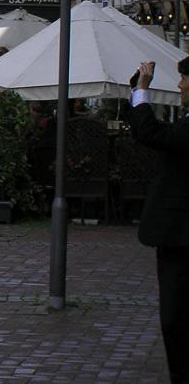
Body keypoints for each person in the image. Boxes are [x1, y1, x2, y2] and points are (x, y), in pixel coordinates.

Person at [130, 59, 189, 384]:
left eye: (183, 78)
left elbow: (151, 134)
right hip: (177, 233)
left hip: (181, 234)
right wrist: (137, 88)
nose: (179, 85)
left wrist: (141, 91)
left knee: (176, 316)